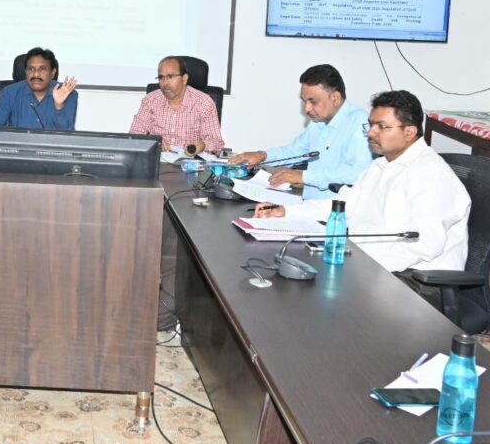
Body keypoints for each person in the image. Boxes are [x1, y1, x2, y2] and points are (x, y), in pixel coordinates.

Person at [255, 90, 470, 281]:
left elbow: (423, 245)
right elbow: (342, 206)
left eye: (381, 126)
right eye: (371, 125)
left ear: (409, 132)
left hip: (413, 281)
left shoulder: (431, 175)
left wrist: (356, 264)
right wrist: (286, 212)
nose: (371, 132)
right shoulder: (380, 165)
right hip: (373, 268)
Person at [230, 64, 372, 200]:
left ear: (335, 98)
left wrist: (303, 176)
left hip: (338, 211)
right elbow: (294, 151)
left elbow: (356, 174)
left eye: (313, 101)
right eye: (304, 101)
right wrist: (262, 155)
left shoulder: (359, 121)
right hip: (310, 205)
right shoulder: (318, 121)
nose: (307, 109)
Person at [129, 56, 224, 155]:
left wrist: (202, 145)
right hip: (158, 159)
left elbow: (216, 142)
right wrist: (153, 141)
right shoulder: (150, 100)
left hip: (190, 160)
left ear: (184, 79)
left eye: (170, 77)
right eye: (161, 78)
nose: (165, 83)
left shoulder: (204, 103)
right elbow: (135, 134)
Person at [0, 47, 78, 130]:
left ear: (53, 73)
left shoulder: (67, 94)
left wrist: (59, 106)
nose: (36, 74)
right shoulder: (9, 93)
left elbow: (67, 135)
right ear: (25, 71)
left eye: (42, 69)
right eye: (31, 69)